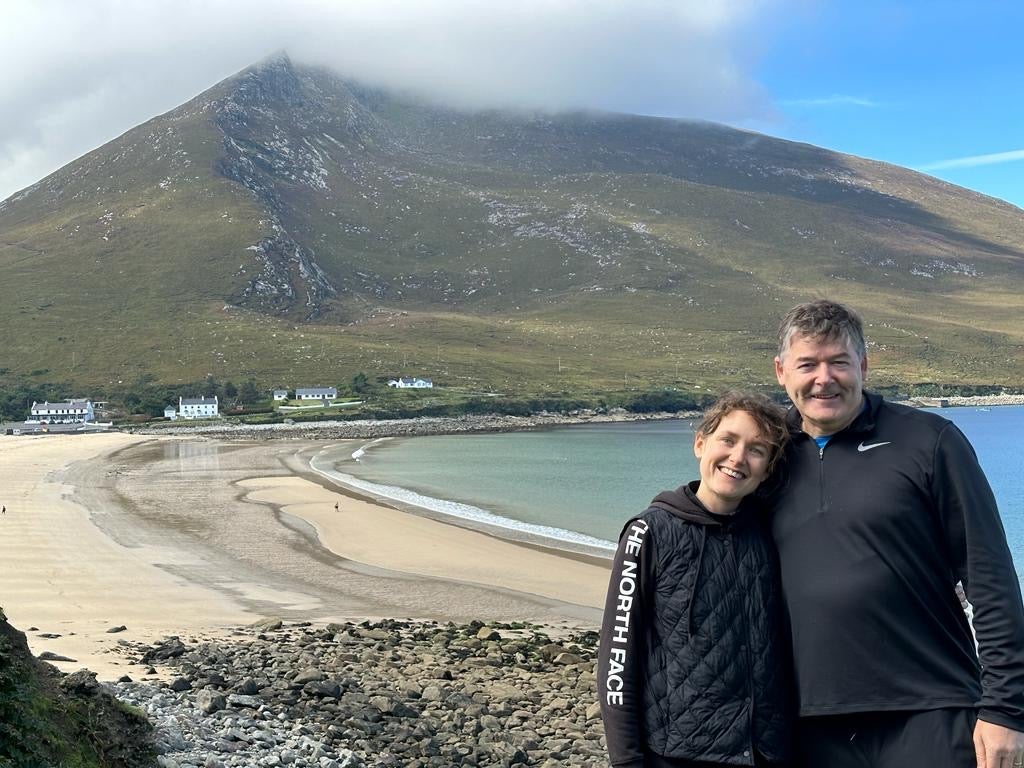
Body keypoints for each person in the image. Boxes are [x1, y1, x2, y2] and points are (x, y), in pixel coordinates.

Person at [769, 299, 1024, 768]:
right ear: (782, 372)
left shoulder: (930, 441)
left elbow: (990, 579)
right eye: (808, 364)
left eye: (839, 362)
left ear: (863, 367)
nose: (823, 378)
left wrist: (1006, 709)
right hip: (808, 723)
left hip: (931, 710)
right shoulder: (767, 456)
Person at [598, 391, 792, 767]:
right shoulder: (648, 532)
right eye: (728, 440)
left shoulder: (771, 534)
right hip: (677, 753)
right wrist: (626, 760)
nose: (738, 458)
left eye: (757, 450)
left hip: (766, 750)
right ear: (700, 443)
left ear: (767, 468)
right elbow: (617, 659)